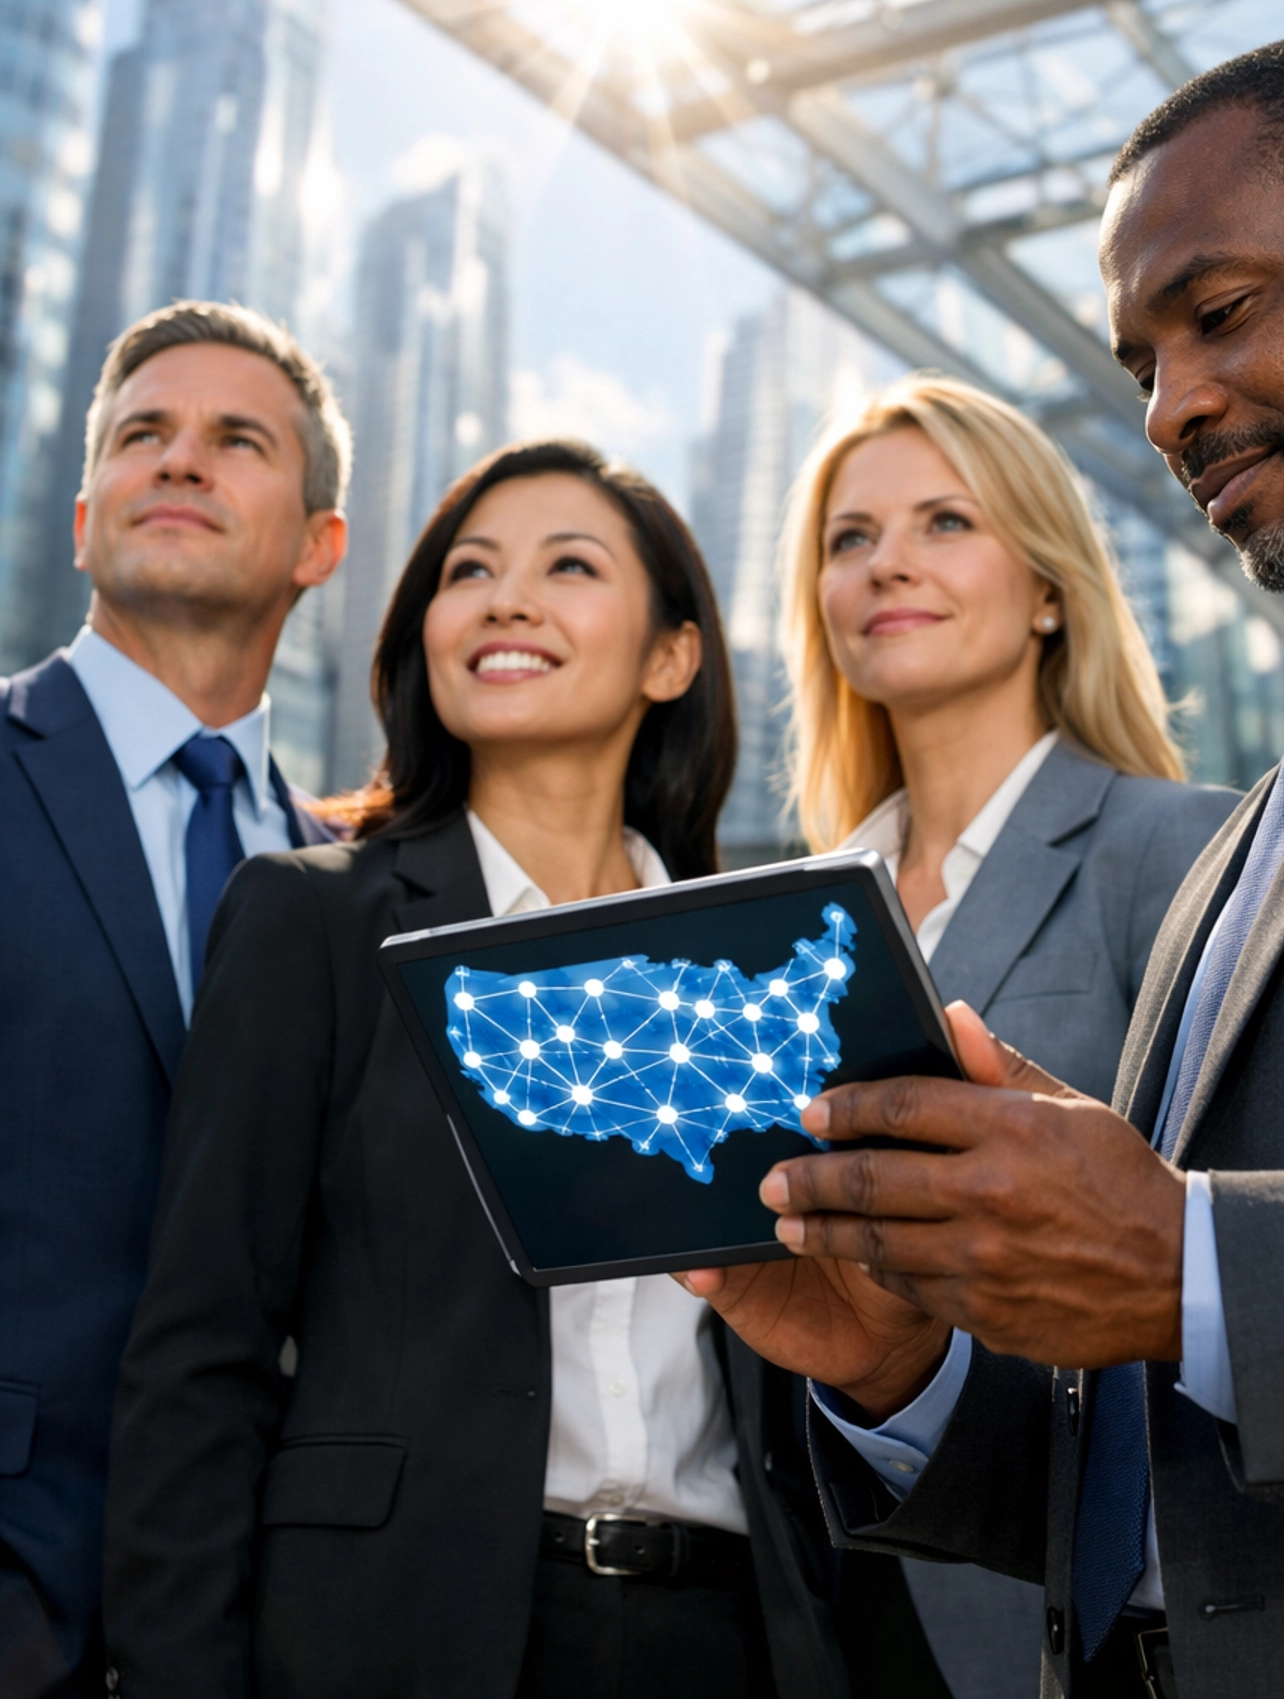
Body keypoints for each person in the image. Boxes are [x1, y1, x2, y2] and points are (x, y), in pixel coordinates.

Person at [685, 30, 1284, 1699]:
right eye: (1139, 358)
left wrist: (1193, 1256)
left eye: (1216, 313)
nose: (1167, 408)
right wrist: (902, 1369)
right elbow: (1175, 1466)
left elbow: (1197, 1279)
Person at [103, 439, 930, 1699]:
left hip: (733, 1637)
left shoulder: (764, 967)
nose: (505, 598)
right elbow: (200, 1354)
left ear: (672, 656)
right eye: (469, 570)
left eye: (570, 565)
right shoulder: (312, 919)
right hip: (392, 1632)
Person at [778, 378, 1235, 1695]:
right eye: (850, 537)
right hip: (837, 1607)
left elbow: (1230, 1269)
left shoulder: (1182, 852)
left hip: (1081, 1628)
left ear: (1048, 588)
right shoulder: (792, 931)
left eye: (943, 522)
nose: (888, 564)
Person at [0, 300, 347, 1699]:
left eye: (235, 440)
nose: (181, 461)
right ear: (85, 520)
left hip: (269, 1628)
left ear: (320, 544)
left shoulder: (356, 885)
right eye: (145, 434)